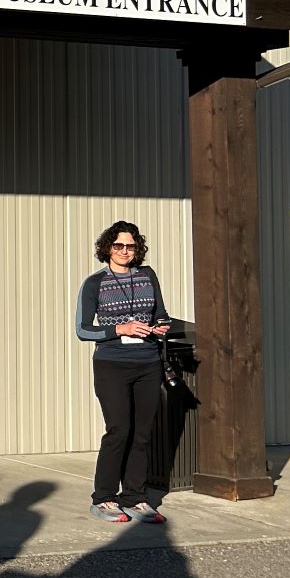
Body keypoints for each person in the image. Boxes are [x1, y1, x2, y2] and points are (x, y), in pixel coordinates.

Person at [74, 219, 173, 525]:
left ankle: (135, 497)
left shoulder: (147, 275)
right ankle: (103, 498)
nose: (125, 251)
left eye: (131, 246)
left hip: (148, 362)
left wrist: (161, 326)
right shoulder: (95, 283)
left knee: (143, 434)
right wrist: (121, 328)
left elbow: (161, 313)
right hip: (112, 365)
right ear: (107, 248)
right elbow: (82, 329)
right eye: (118, 245)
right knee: (119, 430)